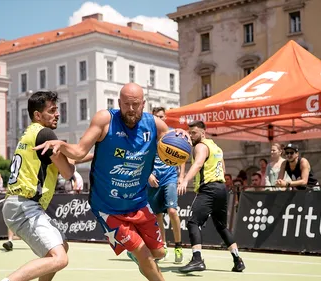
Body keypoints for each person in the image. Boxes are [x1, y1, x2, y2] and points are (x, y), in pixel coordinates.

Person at [35, 83, 188, 281]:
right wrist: (63, 145)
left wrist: (181, 135)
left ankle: (136, 254)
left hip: (138, 202)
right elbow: (80, 151)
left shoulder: (154, 124)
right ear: (119, 103)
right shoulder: (105, 120)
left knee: (159, 253)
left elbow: (172, 139)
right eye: (126, 104)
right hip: (107, 207)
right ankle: (138, 255)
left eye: (135, 104)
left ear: (143, 104)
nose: (131, 109)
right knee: (145, 255)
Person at [0, 91, 75, 281]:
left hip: (19, 204)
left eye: (57, 110)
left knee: (61, 247)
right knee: (60, 258)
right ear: (37, 115)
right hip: (25, 205)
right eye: (52, 111)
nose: (57, 114)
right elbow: (67, 172)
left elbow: (69, 160)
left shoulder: (32, 133)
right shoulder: (46, 134)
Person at [177, 120, 245, 273]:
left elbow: (198, 164)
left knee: (193, 222)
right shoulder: (217, 148)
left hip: (209, 188)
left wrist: (185, 180)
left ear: (203, 133)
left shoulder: (201, 146)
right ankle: (238, 260)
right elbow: (223, 168)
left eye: (193, 133)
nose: (191, 136)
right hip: (221, 188)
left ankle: (197, 259)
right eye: (189, 133)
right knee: (221, 226)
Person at [147, 107, 185, 263]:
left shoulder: (173, 134)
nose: (159, 119)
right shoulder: (149, 136)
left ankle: (178, 245)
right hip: (153, 179)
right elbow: (142, 158)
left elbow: (183, 155)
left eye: (161, 116)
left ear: (165, 117)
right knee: (157, 215)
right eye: (156, 117)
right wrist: (148, 175)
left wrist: (182, 177)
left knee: (172, 211)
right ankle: (163, 246)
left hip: (169, 177)